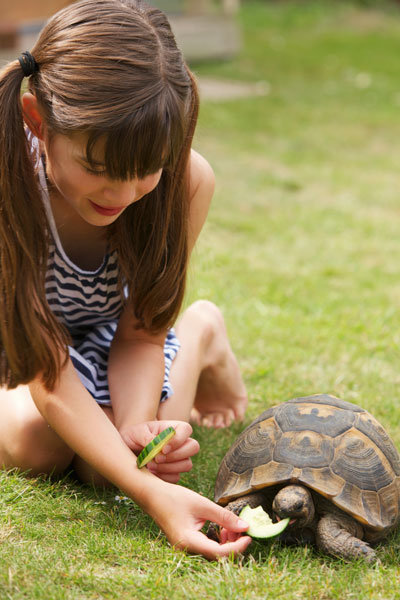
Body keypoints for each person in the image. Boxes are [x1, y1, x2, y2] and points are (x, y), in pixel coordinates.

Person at [0, 0, 250, 559]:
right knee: (34, 444)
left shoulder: (185, 182)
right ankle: (200, 340)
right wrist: (153, 492)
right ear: (37, 120)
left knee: (105, 466)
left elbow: (139, 333)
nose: (122, 194)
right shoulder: (8, 178)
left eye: (145, 170)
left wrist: (137, 430)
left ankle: (199, 331)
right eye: (99, 168)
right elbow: (43, 367)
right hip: (23, 350)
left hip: (111, 337)